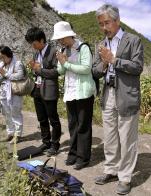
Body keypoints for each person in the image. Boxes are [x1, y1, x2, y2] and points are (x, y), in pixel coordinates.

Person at [92, 4, 143, 195]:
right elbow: (94, 71)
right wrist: (104, 64)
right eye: (100, 24)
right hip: (108, 94)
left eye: (107, 22)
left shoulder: (133, 40)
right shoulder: (102, 44)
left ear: (117, 21)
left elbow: (138, 66)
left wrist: (114, 60)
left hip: (126, 95)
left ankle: (125, 177)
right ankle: (111, 170)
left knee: (127, 138)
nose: (104, 27)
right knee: (110, 136)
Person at [51, 21, 96, 170]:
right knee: (72, 125)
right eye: (59, 39)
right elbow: (61, 71)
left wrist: (66, 63)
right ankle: (73, 154)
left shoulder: (83, 48)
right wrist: (61, 62)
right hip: (70, 92)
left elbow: (86, 68)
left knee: (83, 125)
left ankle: (83, 158)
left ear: (69, 35)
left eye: (62, 38)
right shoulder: (65, 50)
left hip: (83, 92)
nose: (60, 41)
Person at [25, 27, 62, 156]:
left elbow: (56, 72)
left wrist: (39, 70)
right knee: (42, 118)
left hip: (49, 90)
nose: (33, 46)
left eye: (34, 43)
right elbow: (37, 70)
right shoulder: (36, 53)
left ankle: (55, 144)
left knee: (53, 119)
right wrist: (34, 69)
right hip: (37, 89)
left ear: (42, 40)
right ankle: (46, 142)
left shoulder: (53, 52)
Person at [0, 45, 25, 144]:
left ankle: (17, 135)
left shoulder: (18, 63)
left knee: (15, 113)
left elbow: (19, 76)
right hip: (4, 92)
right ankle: (10, 133)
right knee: (7, 114)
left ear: (8, 55)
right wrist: (0, 74)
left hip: (15, 92)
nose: (1, 59)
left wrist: (5, 74)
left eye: (3, 57)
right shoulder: (1, 65)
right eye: (0, 57)